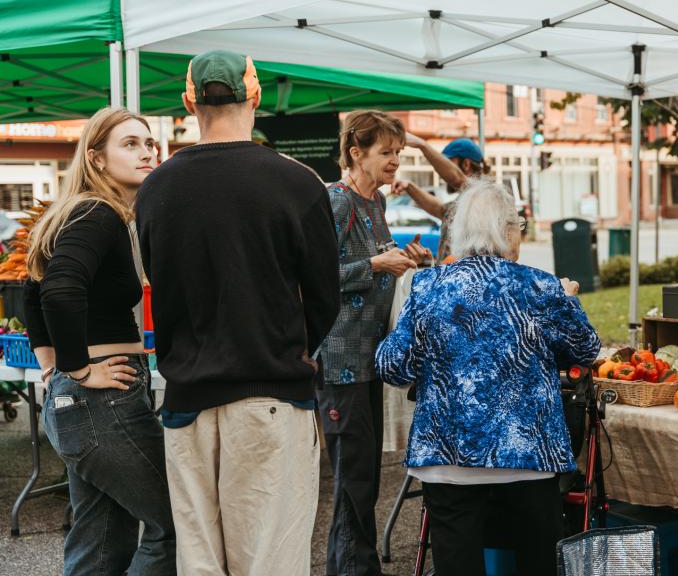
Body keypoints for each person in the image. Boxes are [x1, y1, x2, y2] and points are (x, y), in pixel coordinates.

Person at [135, 50, 340, 576]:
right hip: (270, 393)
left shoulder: (155, 188)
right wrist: (289, 345)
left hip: (187, 400)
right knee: (269, 561)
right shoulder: (297, 183)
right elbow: (324, 298)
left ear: (188, 101)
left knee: (199, 560)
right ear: (256, 96)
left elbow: (159, 282)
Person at [376, 180, 601, 576]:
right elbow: (586, 350)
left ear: (459, 232)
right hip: (527, 456)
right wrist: (567, 301)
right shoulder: (540, 286)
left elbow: (393, 367)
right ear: (508, 231)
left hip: (448, 457)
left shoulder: (428, 287)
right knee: (537, 565)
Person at [23, 107, 175, 575]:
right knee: (175, 529)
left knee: (101, 542)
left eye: (148, 143)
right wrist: (77, 370)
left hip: (85, 404)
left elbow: (32, 291)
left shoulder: (74, 212)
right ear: (96, 159)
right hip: (101, 403)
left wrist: (53, 370)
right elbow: (58, 289)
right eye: (129, 144)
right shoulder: (98, 212)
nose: (147, 152)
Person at [315, 110, 429, 576]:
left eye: (398, 153)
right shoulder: (336, 201)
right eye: (386, 153)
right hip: (340, 362)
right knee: (354, 479)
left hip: (368, 361)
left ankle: (353, 566)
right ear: (355, 152)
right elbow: (312, 279)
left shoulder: (375, 203)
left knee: (362, 479)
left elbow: (373, 261)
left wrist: (407, 258)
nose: (395, 162)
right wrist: (376, 267)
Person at [391, 136, 485, 262]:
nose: (441, 174)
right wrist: (409, 187)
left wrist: (422, 145)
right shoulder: (464, 201)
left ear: (466, 164)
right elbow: (441, 210)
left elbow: (458, 179)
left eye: (447, 163)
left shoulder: (483, 197)